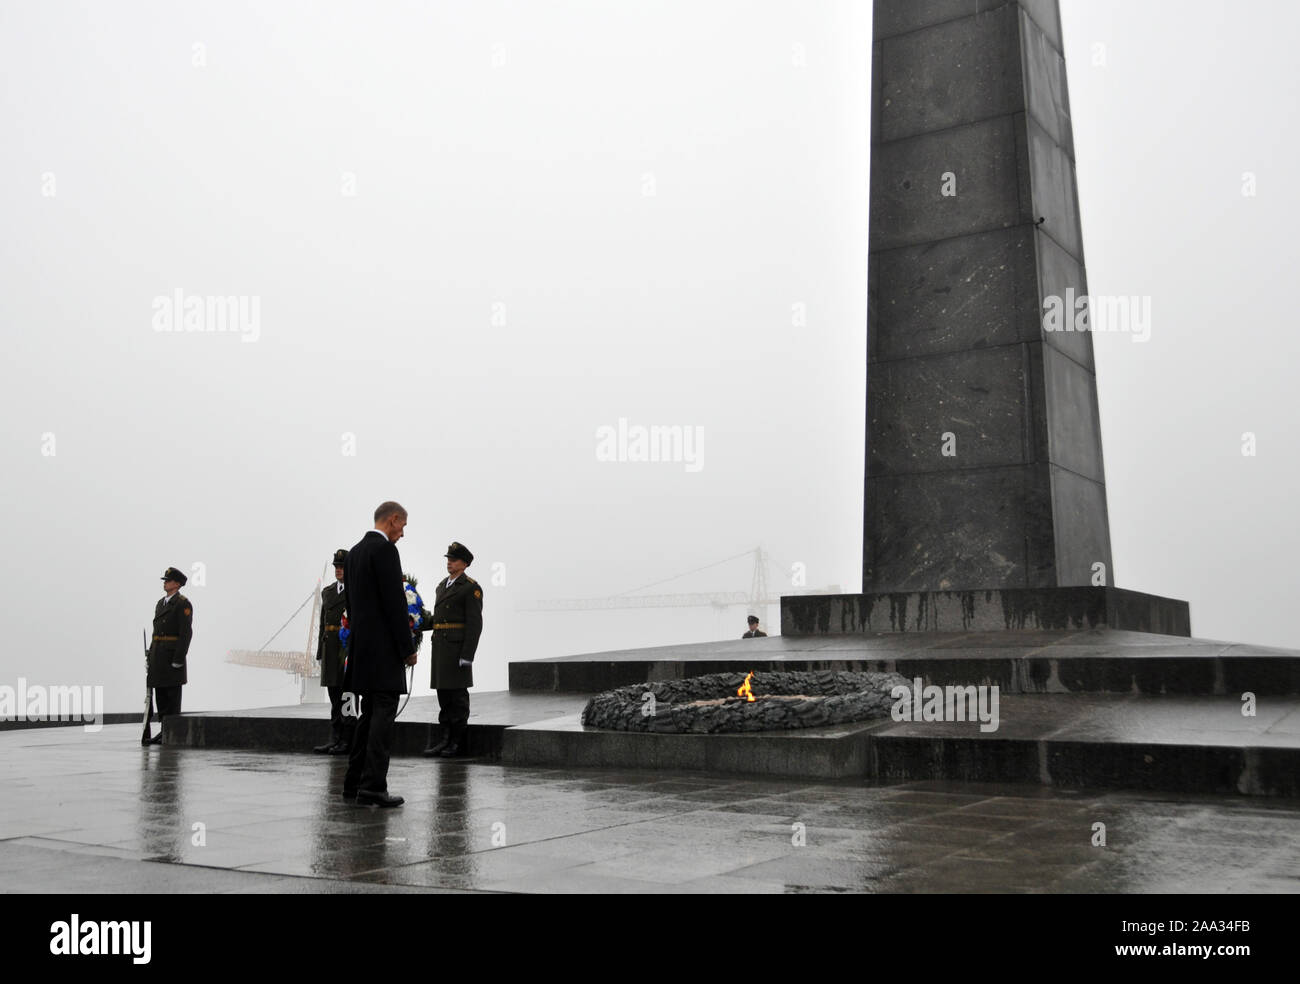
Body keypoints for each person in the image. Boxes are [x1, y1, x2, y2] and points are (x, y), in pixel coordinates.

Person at [341, 502, 417, 807]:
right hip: (384, 652)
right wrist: (407, 648)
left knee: (367, 716)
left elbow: (351, 604)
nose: (402, 534)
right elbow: (395, 605)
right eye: (403, 526)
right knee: (382, 720)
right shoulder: (385, 551)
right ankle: (373, 787)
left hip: (362, 652)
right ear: (394, 519)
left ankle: (354, 783)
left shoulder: (354, 553)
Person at [421, 542, 483, 758]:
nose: (449, 562)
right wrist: (416, 620)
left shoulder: (470, 587)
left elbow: (475, 624)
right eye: (448, 559)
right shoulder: (441, 586)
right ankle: (445, 739)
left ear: (464, 564)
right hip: (440, 649)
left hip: (457, 650)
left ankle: (456, 741)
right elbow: (438, 619)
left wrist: (467, 655)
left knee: (457, 698)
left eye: (454, 559)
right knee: (444, 697)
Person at [145, 567, 193, 745]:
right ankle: (164, 730)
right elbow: (156, 632)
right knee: (161, 697)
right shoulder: (160, 603)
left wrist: (178, 659)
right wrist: (150, 655)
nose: (165, 582)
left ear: (177, 584)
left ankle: (171, 732)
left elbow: (185, 633)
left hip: (171, 657)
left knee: (172, 697)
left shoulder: (182, 604)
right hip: (158, 656)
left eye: (168, 580)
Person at [313, 548, 351, 755]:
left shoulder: (355, 591)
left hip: (345, 649)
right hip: (330, 648)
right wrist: (320, 651)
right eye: (336, 567)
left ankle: (347, 739)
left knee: (347, 697)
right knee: (334, 696)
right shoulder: (327, 592)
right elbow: (322, 625)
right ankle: (335, 737)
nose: (338, 570)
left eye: (342, 567)